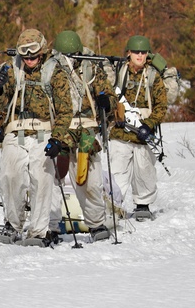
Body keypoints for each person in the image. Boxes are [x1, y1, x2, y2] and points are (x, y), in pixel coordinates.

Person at [0, 28, 72, 246]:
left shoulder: (55, 72)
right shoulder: (12, 69)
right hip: (16, 130)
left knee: (41, 179)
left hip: (44, 132)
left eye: (33, 55)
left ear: (41, 51)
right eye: (25, 56)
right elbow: (0, 105)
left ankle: (40, 230)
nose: (30, 59)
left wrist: (58, 138)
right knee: (10, 176)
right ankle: (12, 224)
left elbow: (65, 110)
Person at [49, 30, 115, 242]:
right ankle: (49, 226)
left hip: (86, 128)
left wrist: (106, 101)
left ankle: (96, 224)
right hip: (59, 128)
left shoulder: (92, 67)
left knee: (90, 181)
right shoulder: (50, 69)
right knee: (51, 179)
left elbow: (107, 92)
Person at [108, 35, 168, 221]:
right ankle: (115, 204)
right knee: (118, 170)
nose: (140, 56)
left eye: (143, 52)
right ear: (129, 53)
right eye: (136, 52)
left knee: (144, 170)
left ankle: (143, 204)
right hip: (121, 130)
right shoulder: (119, 71)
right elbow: (108, 95)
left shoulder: (152, 76)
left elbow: (161, 106)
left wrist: (149, 125)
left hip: (143, 130)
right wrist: (113, 114)